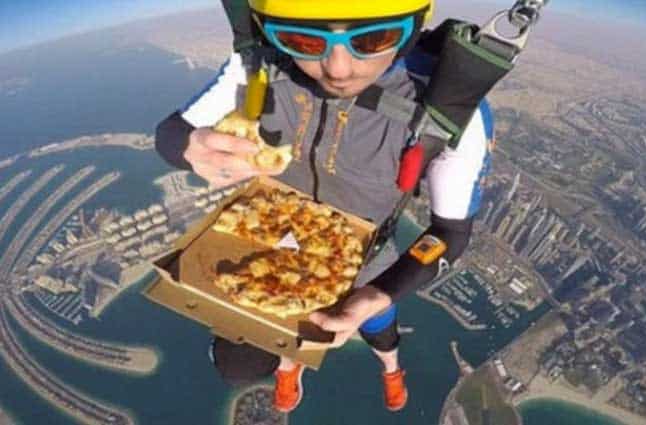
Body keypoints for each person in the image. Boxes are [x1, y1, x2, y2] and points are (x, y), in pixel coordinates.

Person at [155, 0, 492, 413]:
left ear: (416, 25)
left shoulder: (447, 109)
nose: (338, 69)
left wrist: (380, 294)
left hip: (363, 246)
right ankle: (289, 365)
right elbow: (173, 133)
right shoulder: (261, 65)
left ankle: (391, 366)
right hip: (269, 230)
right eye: (303, 39)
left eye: (375, 38)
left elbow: (450, 233)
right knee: (241, 362)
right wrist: (188, 147)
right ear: (270, 30)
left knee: (377, 323)